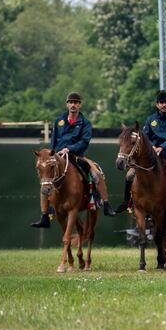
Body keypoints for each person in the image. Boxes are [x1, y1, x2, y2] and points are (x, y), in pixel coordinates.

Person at [31, 92, 115, 228]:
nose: (73, 104)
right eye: (70, 102)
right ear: (67, 104)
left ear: (80, 105)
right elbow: (53, 140)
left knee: (96, 174)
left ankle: (105, 204)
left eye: (76, 102)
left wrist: (69, 148)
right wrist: (52, 154)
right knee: (45, 181)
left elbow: (85, 141)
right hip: (57, 155)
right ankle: (45, 216)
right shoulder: (59, 121)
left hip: (76, 155)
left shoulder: (85, 123)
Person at [115, 90, 166, 214]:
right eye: (161, 103)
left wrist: (163, 147)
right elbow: (145, 137)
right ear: (157, 105)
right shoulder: (151, 119)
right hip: (150, 155)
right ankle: (126, 202)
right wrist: (153, 146)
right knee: (129, 175)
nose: (163, 105)